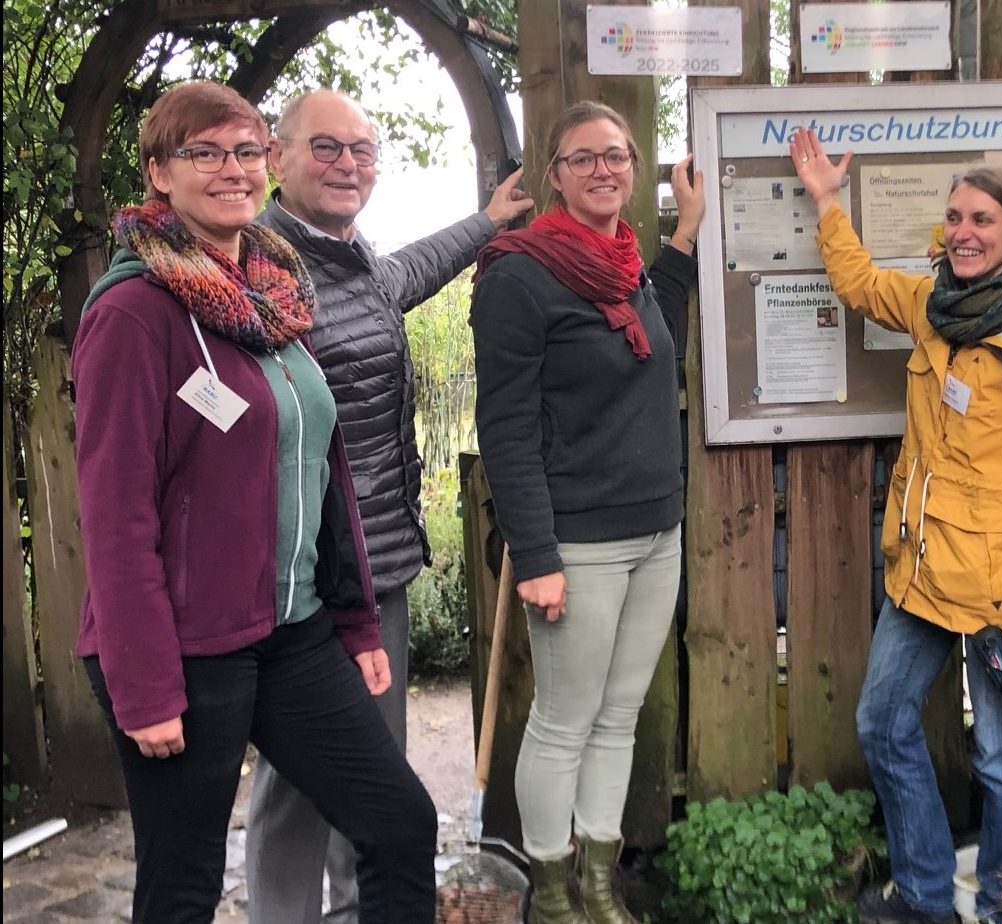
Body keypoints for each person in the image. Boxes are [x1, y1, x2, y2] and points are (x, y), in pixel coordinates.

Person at [71, 80, 437, 924]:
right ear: (160, 172)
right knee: (183, 887)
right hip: (187, 647)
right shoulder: (133, 314)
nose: (230, 169)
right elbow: (115, 513)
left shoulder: (275, 295)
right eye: (204, 153)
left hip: (293, 631)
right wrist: (146, 683)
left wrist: (351, 620)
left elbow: (326, 465)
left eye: (246, 151)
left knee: (397, 822)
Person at [790, 130, 1002, 924]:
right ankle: (927, 897)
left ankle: (1001, 909)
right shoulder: (936, 308)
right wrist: (827, 198)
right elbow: (859, 285)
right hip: (922, 571)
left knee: (1000, 765)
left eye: (984, 219)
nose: (963, 231)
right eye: (956, 216)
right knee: (883, 723)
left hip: (1000, 593)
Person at [245, 89, 535, 923]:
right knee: (297, 780)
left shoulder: (351, 257)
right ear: (280, 157)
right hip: (299, 575)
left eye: (363, 151)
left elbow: (399, 278)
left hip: (381, 569)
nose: (348, 165)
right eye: (326, 148)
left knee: (370, 765)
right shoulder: (259, 269)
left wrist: (486, 221)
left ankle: (354, 911)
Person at [469, 100, 704, 924]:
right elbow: (501, 425)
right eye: (583, 158)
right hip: (578, 542)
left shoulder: (626, 266)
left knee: (620, 714)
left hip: (656, 533)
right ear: (554, 175)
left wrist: (688, 236)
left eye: (617, 156)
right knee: (565, 722)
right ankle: (553, 890)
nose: (604, 170)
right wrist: (534, 554)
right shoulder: (519, 276)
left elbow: (652, 333)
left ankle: (600, 884)